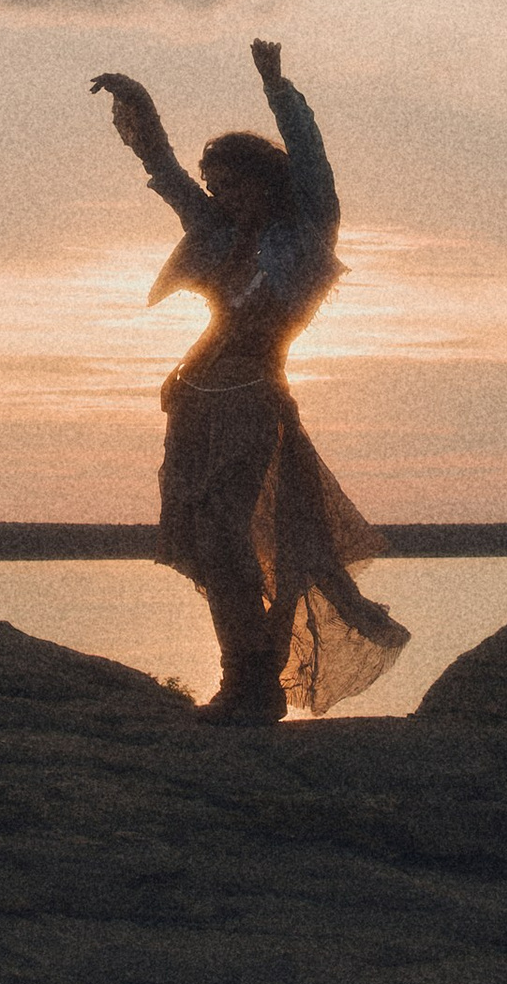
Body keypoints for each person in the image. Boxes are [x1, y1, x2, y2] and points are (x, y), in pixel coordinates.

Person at [89, 39, 407, 725]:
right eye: (217, 188)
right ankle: (244, 678)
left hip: (252, 400)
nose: (221, 198)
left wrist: (277, 88)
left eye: (234, 185)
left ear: (266, 181)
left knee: (233, 535)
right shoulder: (214, 233)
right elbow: (168, 174)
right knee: (204, 539)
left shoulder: (307, 233)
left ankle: (255, 681)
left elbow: (313, 165)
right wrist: (139, 109)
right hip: (193, 400)